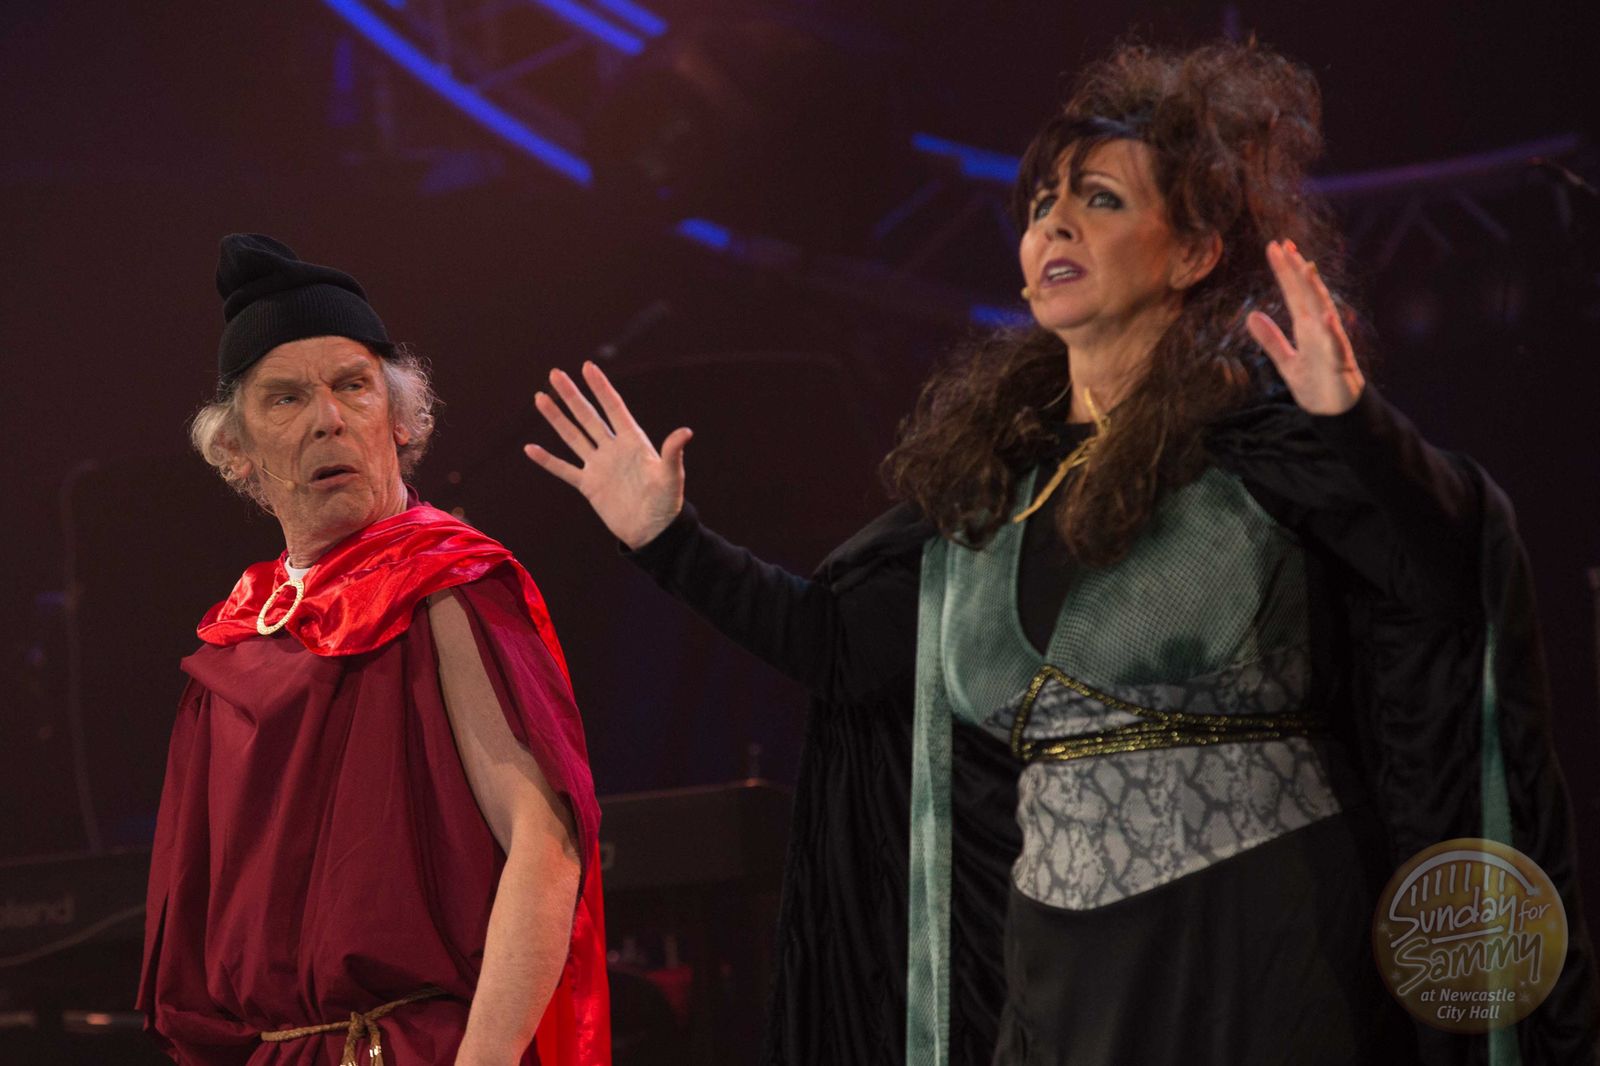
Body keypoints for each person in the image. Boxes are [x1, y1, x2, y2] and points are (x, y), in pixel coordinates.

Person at [526, 40, 1598, 1066]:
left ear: (1194, 253)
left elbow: (1439, 574)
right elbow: (838, 648)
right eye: (1042, 203)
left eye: (1101, 198)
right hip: (1057, 969)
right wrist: (666, 540)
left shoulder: (1266, 455)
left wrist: (1357, 433)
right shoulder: (987, 497)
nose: (1055, 222)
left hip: (1258, 945)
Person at [138, 234, 610, 1066]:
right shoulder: (231, 641)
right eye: (285, 398)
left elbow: (545, 846)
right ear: (237, 454)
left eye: (352, 386)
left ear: (398, 420)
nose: (328, 418)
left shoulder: (446, 584)